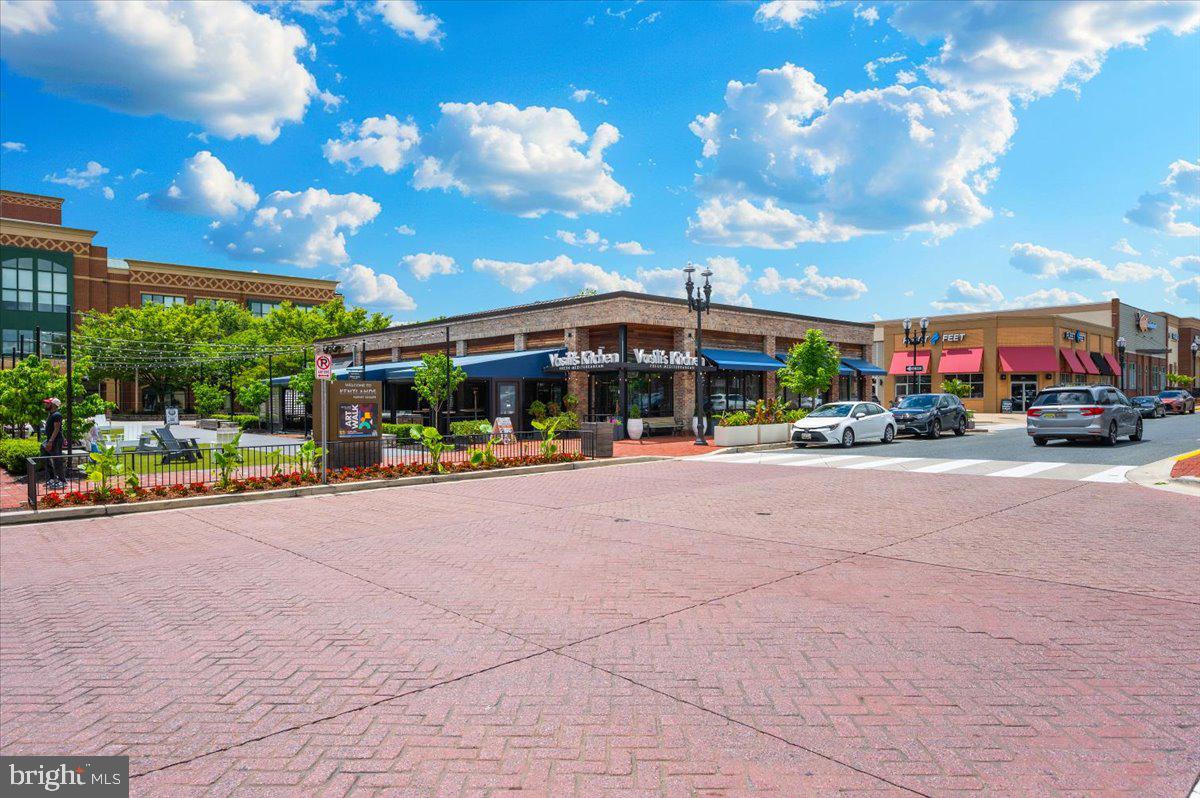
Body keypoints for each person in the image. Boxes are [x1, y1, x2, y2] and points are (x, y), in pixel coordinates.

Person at [41, 397, 66, 489]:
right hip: (50, 440)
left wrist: (50, 441)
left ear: (53, 405)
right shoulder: (51, 414)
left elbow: (57, 429)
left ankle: (62, 481)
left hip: (55, 441)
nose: (46, 405)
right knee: (44, 453)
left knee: (57, 460)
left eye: (48, 403)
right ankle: (52, 478)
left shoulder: (57, 415)